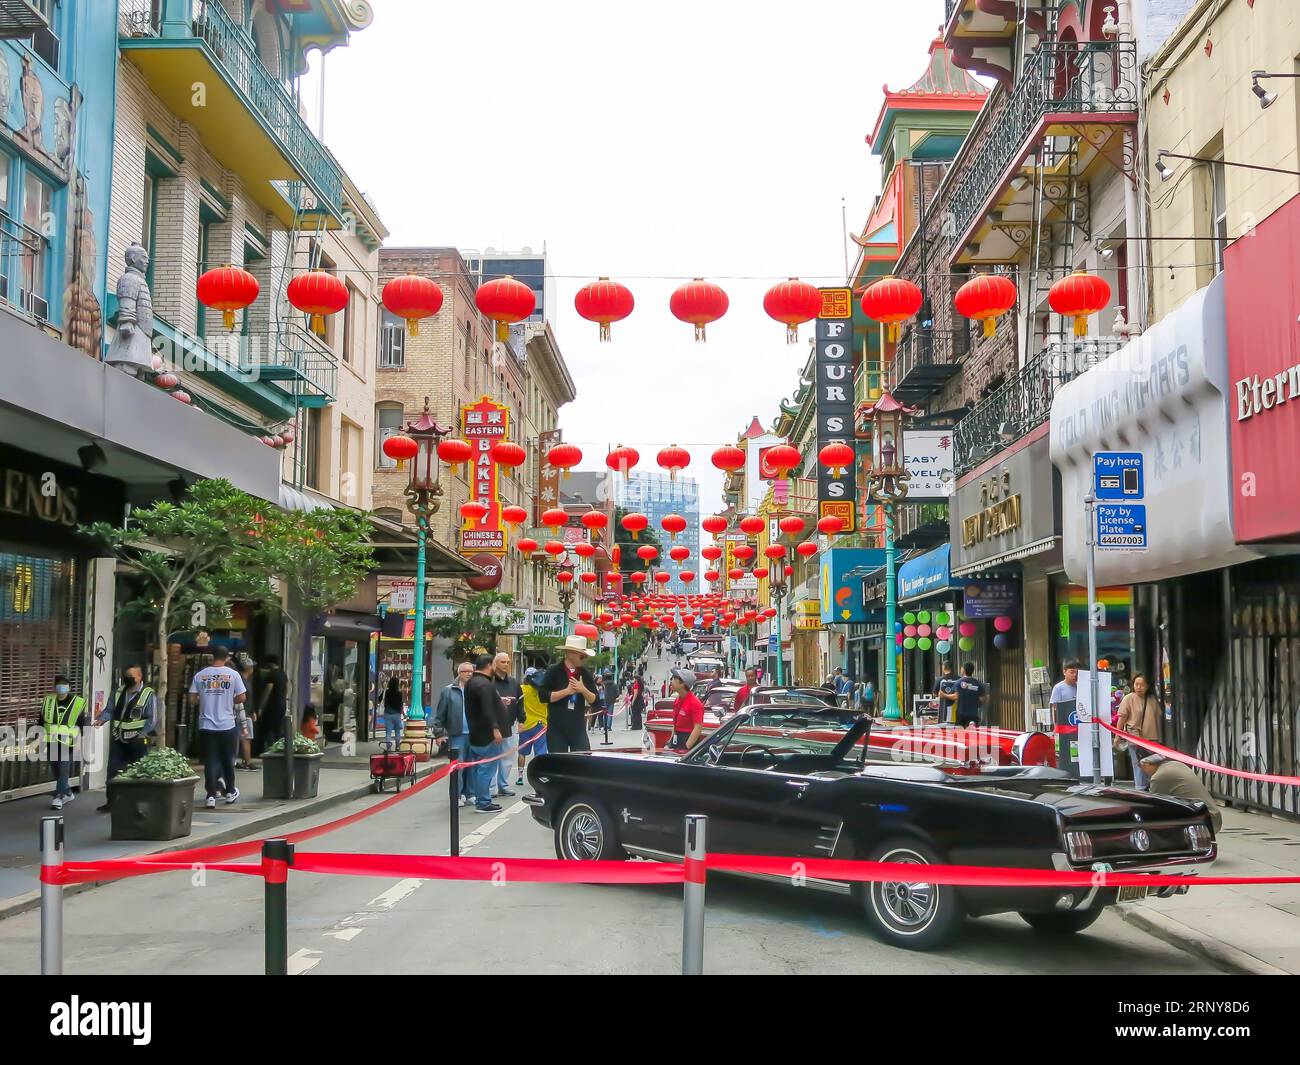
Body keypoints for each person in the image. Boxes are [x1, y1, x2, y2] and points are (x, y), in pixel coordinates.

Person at [187, 647, 247, 809]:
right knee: (228, 759)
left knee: (211, 761)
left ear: (212, 657)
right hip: (227, 724)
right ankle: (230, 792)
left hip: (206, 725)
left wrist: (205, 700)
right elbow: (242, 697)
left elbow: (192, 699)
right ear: (227, 657)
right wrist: (229, 700)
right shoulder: (233, 675)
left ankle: (211, 795)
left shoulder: (200, 675)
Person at [95, 664, 158, 811]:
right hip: (118, 738)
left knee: (139, 772)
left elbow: (153, 719)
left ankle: (138, 803)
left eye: (131, 677)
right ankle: (111, 802)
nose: (128, 679)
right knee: (113, 770)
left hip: (138, 740)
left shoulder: (148, 694)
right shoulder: (117, 692)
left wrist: (142, 733)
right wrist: (102, 719)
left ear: (140, 677)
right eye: (126, 676)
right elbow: (110, 710)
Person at [539, 635, 599, 754]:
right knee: (559, 763)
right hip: (556, 727)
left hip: (578, 726)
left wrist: (583, 690)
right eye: (582, 655)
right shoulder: (554, 671)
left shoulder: (585, 673)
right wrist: (566, 692)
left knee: (584, 760)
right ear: (571, 653)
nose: (584, 658)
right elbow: (543, 696)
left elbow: (596, 701)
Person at [464, 654, 505, 813]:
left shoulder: (471, 683)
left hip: (475, 732)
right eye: (495, 664)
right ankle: (483, 801)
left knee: (479, 768)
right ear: (489, 665)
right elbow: (488, 709)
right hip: (486, 734)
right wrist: (495, 729)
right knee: (486, 768)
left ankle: (480, 797)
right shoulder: (484, 685)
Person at [1140, 754, 1222, 832]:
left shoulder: (1159, 777)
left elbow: (1153, 806)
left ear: (1146, 764)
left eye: (1140, 766)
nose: (1142, 771)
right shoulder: (1176, 764)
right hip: (1212, 815)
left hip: (1203, 821)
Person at [42, 674, 85, 810]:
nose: (61, 687)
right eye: (59, 684)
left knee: (63, 769)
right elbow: (42, 722)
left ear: (69, 687)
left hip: (68, 742)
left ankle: (59, 797)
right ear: (55, 687)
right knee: (56, 769)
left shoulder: (76, 703)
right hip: (52, 741)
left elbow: (81, 724)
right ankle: (68, 792)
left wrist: (80, 742)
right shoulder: (48, 701)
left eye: (64, 684)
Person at [433, 662, 473, 804]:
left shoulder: (475, 690)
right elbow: (440, 714)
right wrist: (438, 733)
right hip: (457, 734)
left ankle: (469, 794)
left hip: (473, 734)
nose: (469, 674)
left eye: (471, 671)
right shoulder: (448, 691)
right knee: (458, 767)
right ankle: (456, 795)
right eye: (465, 671)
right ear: (459, 673)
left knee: (471, 765)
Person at [1116, 673, 1162, 790]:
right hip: (1135, 739)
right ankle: (1140, 788)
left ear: (1147, 686)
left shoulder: (1152, 700)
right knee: (1138, 765)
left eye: (1142, 685)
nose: (1139, 687)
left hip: (1152, 739)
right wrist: (1117, 736)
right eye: (1136, 684)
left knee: (1152, 765)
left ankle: (1152, 787)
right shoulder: (1129, 698)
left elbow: (1158, 718)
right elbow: (1122, 719)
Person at [492, 652, 524, 797]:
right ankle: (490, 789)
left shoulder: (514, 683)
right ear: (495, 663)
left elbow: (520, 703)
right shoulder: (489, 681)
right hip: (493, 726)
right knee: (492, 757)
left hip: (510, 724)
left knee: (508, 758)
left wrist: (522, 720)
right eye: (502, 662)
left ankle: (503, 785)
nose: (505, 664)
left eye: (507, 662)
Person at [517, 668, 548, 785]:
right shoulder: (544, 692)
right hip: (542, 725)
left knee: (522, 752)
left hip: (525, 724)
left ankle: (520, 776)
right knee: (540, 752)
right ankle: (540, 775)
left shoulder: (522, 689)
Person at [255, 654, 288, 755]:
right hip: (282, 705)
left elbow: (267, 691)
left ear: (269, 663)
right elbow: (288, 687)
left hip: (271, 706)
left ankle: (272, 750)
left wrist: (261, 707)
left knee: (268, 728)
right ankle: (279, 750)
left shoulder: (271, 675)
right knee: (277, 728)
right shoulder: (283, 674)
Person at [667, 668, 705, 751]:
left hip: (687, 741)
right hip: (677, 739)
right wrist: (671, 741)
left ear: (683, 684)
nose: (671, 681)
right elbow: (675, 723)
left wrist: (686, 747)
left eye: (674, 678)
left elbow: (697, 728)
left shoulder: (695, 703)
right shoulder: (678, 700)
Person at [235, 655, 259, 771]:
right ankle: (247, 762)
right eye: (252, 667)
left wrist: (253, 711)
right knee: (246, 738)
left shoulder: (244, 680)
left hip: (245, 712)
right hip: (243, 713)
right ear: (248, 668)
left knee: (245, 737)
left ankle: (245, 760)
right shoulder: (241, 680)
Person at [954, 662, 988, 727]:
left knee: (960, 735)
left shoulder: (958, 683)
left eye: (961, 668)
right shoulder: (978, 683)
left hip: (961, 715)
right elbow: (984, 698)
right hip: (974, 715)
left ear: (963, 670)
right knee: (973, 735)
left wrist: (944, 695)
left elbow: (955, 696)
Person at [381, 675, 405, 751]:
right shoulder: (399, 693)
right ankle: (397, 747)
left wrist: (384, 690)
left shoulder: (387, 692)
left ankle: (388, 748)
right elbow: (401, 704)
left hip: (388, 713)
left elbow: (381, 700)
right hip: (397, 714)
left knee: (388, 732)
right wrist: (403, 713)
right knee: (397, 732)